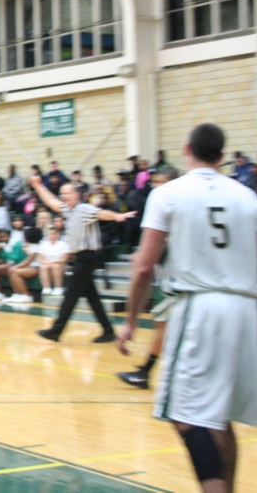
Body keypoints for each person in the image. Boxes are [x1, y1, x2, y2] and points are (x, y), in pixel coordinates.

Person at [117, 124, 257, 493]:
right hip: (244, 309)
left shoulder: (169, 193)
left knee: (183, 415)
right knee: (221, 420)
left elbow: (144, 266)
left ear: (187, 148)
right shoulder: (248, 196)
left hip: (199, 306)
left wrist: (130, 321)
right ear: (222, 155)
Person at [29, 174, 136, 343]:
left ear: (77, 195)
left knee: (71, 294)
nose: (63, 196)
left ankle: (56, 331)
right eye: (62, 193)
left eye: (67, 193)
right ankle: (108, 331)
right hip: (80, 258)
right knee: (92, 297)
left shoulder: (84, 209)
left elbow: (101, 213)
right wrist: (38, 186)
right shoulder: (67, 210)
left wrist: (117, 216)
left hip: (88, 257)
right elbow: (51, 202)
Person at [117, 165, 179, 389]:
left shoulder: (168, 205)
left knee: (165, 325)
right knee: (163, 324)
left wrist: (144, 256)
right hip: (178, 282)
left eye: (160, 182)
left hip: (181, 284)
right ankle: (147, 370)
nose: (155, 187)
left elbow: (148, 264)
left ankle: (146, 372)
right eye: (153, 183)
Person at [3, 227, 46, 303]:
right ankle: (17, 294)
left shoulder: (36, 247)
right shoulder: (29, 245)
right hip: (30, 267)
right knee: (10, 270)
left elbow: (29, 260)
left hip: (36, 268)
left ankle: (26, 295)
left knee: (14, 272)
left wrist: (16, 266)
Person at [36, 226, 70, 296]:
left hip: (60, 265)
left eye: (54, 234)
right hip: (47, 264)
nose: (52, 235)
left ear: (57, 235)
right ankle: (46, 288)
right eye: (50, 234)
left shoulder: (63, 244)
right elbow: (40, 259)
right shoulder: (43, 245)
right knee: (43, 267)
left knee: (55, 266)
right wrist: (48, 263)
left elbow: (64, 259)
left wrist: (53, 262)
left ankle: (58, 288)